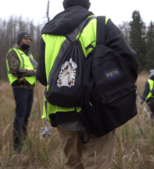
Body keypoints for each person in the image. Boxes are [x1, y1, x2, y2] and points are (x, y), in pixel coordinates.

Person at [35, 0, 138, 168]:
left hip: (61, 112)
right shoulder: (101, 24)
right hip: (98, 111)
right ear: (88, 5)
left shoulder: (48, 33)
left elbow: (43, 76)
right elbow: (130, 61)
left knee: (73, 164)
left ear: (64, 5)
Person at [6, 32, 36, 153]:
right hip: (20, 87)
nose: (28, 41)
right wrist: (32, 72)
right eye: (25, 39)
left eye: (29, 39)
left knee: (26, 117)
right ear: (19, 40)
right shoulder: (13, 52)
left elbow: (36, 69)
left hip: (30, 88)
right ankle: (17, 147)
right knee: (20, 117)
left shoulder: (29, 56)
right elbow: (15, 70)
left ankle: (23, 142)